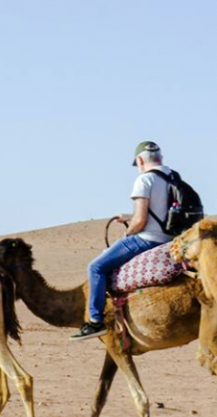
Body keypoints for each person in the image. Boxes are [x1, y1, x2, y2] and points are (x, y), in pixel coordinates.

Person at [70, 141, 177, 341]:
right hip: (169, 238)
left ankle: (95, 321)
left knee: (96, 267)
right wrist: (128, 217)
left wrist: (128, 234)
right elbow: (159, 213)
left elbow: (141, 220)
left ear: (140, 160)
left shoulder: (144, 180)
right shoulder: (172, 178)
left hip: (148, 240)